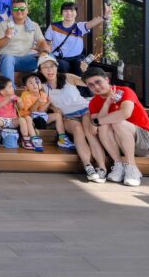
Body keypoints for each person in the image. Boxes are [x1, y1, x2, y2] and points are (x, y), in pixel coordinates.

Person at [38, 54, 108, 182]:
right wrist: (53, 108)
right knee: (77, 129)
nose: (49, 70)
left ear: (57, 67)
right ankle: (88, 166)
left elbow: (89, 83)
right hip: (68, 116)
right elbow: (45, 102)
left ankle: (102, 168)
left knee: (89, 132)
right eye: (45, 67)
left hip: (85, 110)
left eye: (52, 66)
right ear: (40, 70)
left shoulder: (68, 77)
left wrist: (85, 71)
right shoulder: (41, 86)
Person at [84, 67, 149, 187]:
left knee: (117, 122)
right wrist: (107, 103)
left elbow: (125, 113)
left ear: (107, 80)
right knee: (103, 125)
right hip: (119, 144)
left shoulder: (125, 91)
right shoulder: (94, 102)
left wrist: (96, 122)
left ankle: (132, 167)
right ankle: (119, 165)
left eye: (98, 82)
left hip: (144, 141)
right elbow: (98, 125)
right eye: (91, 85)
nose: (96, 87)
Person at [46, 2, 113, 75]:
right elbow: (47, 43)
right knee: (63, 67)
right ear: (61, 13)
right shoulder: (53, 26)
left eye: (72, 10)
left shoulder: (79, 26)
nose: (69, 13)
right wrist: (47, 56)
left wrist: (104, 17)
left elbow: (91, 23)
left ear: (76, 13)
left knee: (81, 69)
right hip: (60, 58)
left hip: (77, 58)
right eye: (65, 10)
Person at [0, 0, 50, 80]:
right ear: (11, 11)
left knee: (50, 56)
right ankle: (9, 87)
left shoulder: (34, 25)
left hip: (27, 59)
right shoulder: (3, 24)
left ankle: (49, 85)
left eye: (22, 8)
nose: (19, 11)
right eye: (15, 9)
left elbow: (41, 42)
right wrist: (7, 37)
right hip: (8, 60)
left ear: (27, 10)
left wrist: (45, 52)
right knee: (8, 58)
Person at [0, 76, 34, 150]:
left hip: (12, 119)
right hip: (1, 119)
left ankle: (25, 139)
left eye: (12, 86)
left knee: (22, 120)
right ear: (2, 91)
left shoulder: (14, 97)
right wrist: (8, 99)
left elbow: (21, 107)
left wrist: (20, 102)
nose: (13, 88)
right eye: (10, 87)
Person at [18, 73, 50, 151]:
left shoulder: (43, 94)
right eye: (31, 83)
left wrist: (48, 103)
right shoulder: (25, 95)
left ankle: (62, 137)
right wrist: (38, 102)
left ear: (41, 85)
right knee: (28, 118)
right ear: (26, 88)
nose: (35, 84)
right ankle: (34, 138)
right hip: (29, 116)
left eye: (37, 82)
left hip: (39, 116)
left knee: (57, 116)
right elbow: (32, 111)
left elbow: (42, 111)